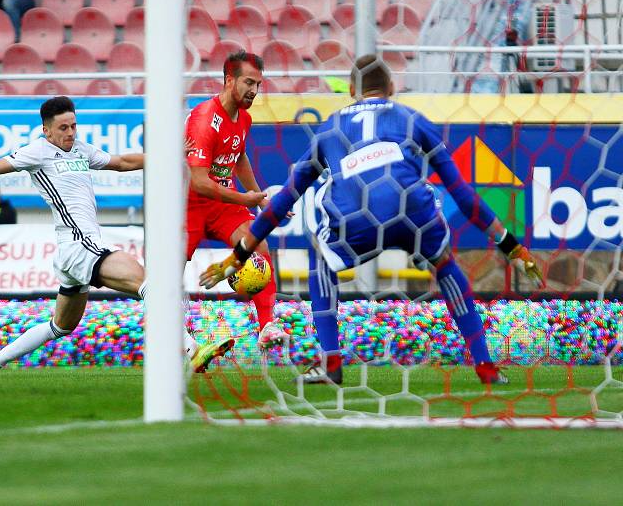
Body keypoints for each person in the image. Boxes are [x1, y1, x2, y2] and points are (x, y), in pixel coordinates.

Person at [200, 55, 545, 385]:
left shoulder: (332, 128)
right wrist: (513, 248)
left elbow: (285, 198)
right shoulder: (411, 118)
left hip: (356, 219)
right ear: (392, 87)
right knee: (444, 263)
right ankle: (486, 366)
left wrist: (238, 256)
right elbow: (462, 193)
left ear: (351, 91)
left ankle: (331, 364)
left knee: (321, 258)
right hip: (414, 212)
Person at [0, 96, 229, 375]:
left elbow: (121, 163)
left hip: (72, 254)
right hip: (82, 246)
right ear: (47, 130)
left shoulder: (80, 149)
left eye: (73, 126)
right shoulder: (36, 152)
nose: (70, 133)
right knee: (150, 284)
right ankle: (191, 349)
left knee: (61, 326)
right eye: (63, 128)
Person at [185, 50, 287, 350]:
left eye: (258, 84)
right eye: (248, 83)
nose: (254, 91)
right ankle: (181, 341)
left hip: (222, 205)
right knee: (167, 272)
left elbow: (238, 155)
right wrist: (244, 196)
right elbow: (200, 183)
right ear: (229, 80)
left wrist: (258, 199)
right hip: (187, 205)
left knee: (258, 242)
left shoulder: (244, 118)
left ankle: (268, 325)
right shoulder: (205, 118)